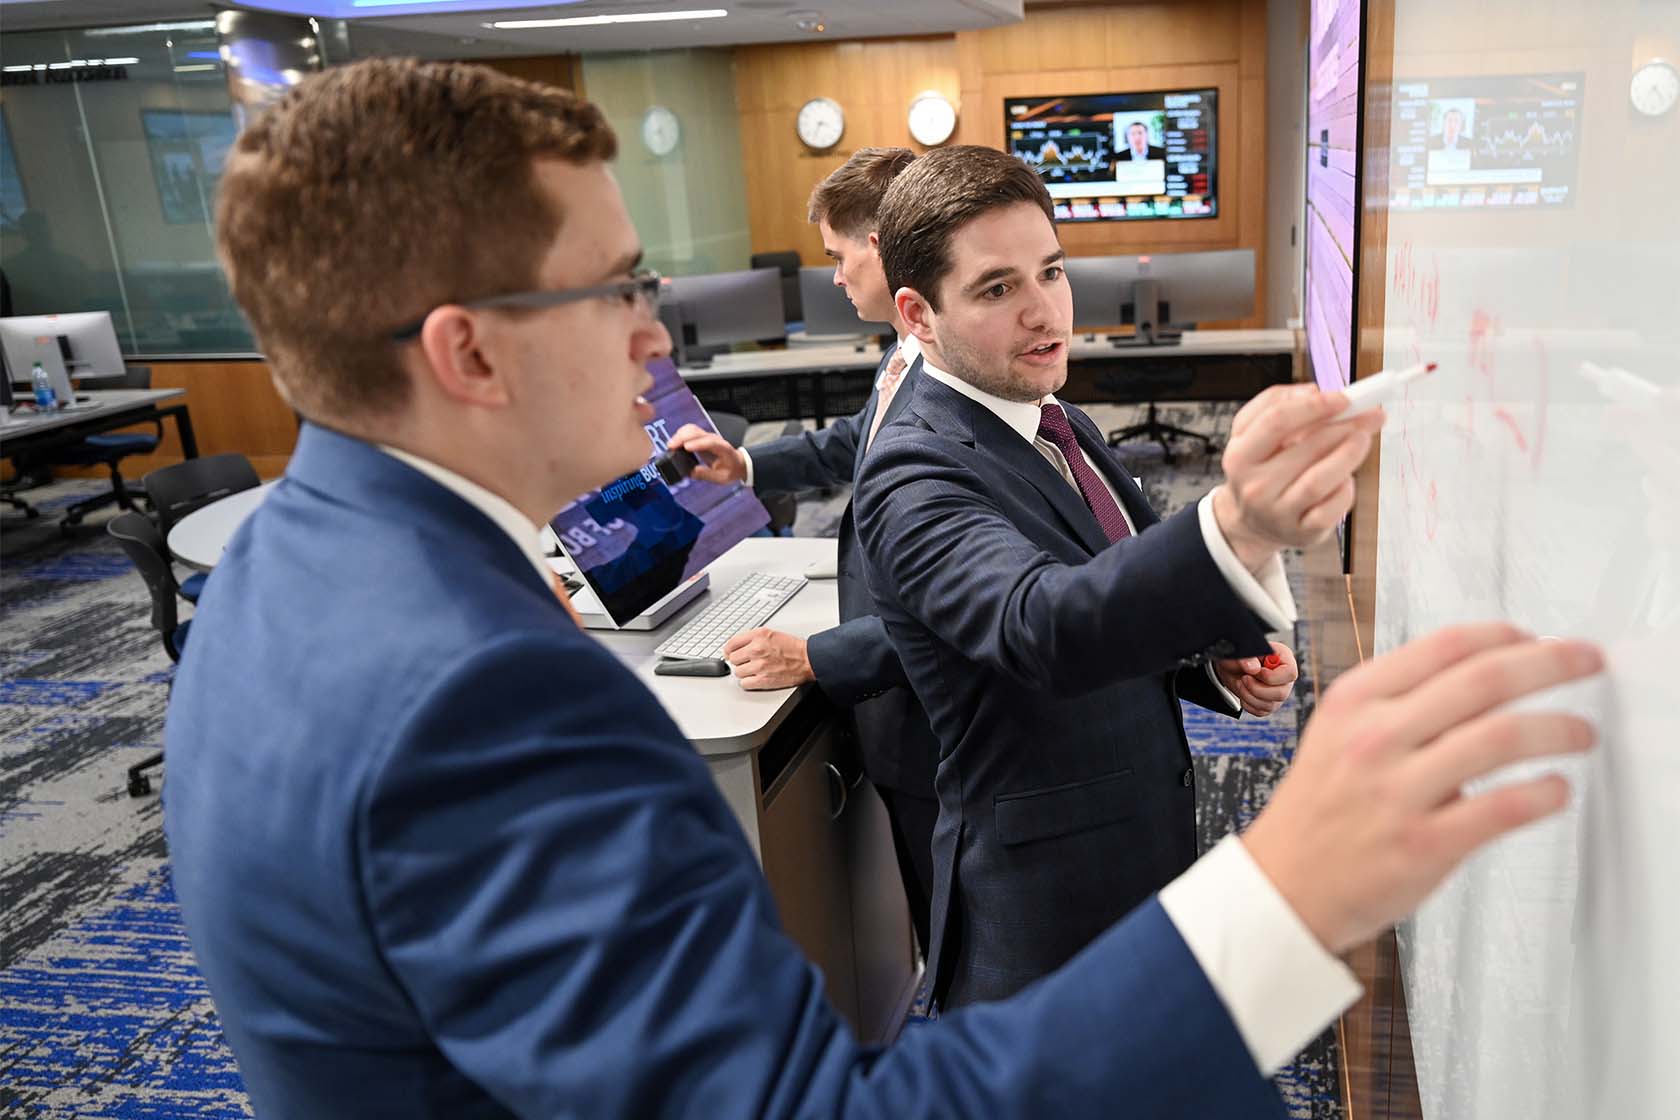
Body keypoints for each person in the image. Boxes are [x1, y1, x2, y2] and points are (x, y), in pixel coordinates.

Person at [163, 59, 1603, 1117]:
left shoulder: (289, 575)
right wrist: (1292, 893)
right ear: (468, 354)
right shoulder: (480, 696)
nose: (654, 333)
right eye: (617, 287)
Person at [854, 144, 1366, 1007]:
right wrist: (1237, 525)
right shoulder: (912, 475)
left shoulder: (1057, 419)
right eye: (996, 289)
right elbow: (1044, 626)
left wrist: (1206, 664)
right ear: (917, 314)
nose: (1044, 311)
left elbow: (1113, 581)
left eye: (1050, 273)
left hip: (1136, 848)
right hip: (1043, 915)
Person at [665, 147, 942, 953]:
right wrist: (745, 462)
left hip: (931, 723)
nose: (830, 277)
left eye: (838, 254)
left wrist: (818, 655)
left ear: (885, 247)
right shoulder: (906, 356)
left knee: (958, 927)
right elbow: (855, 443)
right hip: (903, 708)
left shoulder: (947, 381)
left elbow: (962, 604)